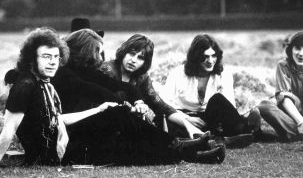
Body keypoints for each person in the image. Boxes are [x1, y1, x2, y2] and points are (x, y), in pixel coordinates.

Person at [52, 29, 226, 165]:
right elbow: (96, 91)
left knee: (132, 139)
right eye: (97, 52)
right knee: (122, 122)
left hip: (87, 128)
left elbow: (125, 88)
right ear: (85, 51)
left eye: (140, 57)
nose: (99, 58)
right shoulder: (66, 74)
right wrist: (127, 105)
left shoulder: (83, 70)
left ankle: (191, 153)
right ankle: (183, 148)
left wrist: (137, 101)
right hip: (72, 135)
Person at [0, 27, 115, 166]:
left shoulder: (43, 83)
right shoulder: (25, 85)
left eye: (56, 57)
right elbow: (9, 129)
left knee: (115, 122)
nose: (53, 62)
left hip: (60, 154)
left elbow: (57, 119)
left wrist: (99, 109)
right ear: (32, 59)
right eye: (46, 56)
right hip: (49, 159)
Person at [160, 34, 261, 145]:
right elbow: (164, 104)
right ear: (196, 57)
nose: (210, 61)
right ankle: (226, 136)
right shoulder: (177, 73)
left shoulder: (223, 74)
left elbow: (228, 106)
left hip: (211, 118)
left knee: (217, 99)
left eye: (214, 56)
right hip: (184, 116)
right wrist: (187, 119)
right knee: (172, 128)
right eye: (205, 57)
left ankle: (236, 131)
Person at [100, 34, 205, 138]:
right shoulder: (108, 69)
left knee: (164, 119)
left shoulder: (142, 77)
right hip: (105, 125)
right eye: (131, 54)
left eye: (140, 58)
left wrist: (187, 123)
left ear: (145, 62)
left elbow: (160, 106)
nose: (133, 60)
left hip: (128, 125)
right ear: (123, 52)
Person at [258, 31, 303, 141]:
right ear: (290, 50)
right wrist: (301, 122)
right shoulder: (283, 66)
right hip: (294, 117)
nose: (301, 54)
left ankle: (297, 134)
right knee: (264, 106)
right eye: (297, 48)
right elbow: (283, 98)